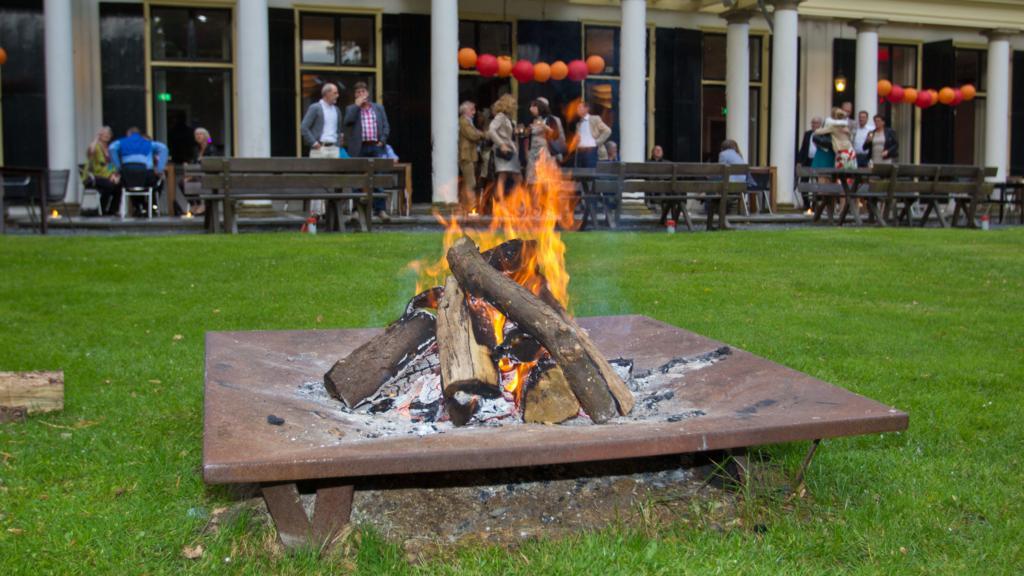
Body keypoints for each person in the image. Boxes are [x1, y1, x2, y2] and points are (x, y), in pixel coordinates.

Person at [343, 81, 392, 220]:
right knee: (357, 180)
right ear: (355, 95)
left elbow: (386, 126)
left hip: (375, 147)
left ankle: (380, 210)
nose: (361, 94)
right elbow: (347, 122)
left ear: (368, 93)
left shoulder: (378, 108)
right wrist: (356, 106)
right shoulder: (351, 109)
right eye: (358, 92)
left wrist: (382, 140)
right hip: (359, 148)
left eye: (363, 92)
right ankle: (356, 210)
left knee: (377, 178)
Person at [109, 127, 169, 216]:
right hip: (146, 177)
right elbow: (163, 148)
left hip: (128, 178)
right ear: (140, 135)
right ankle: (150, 207)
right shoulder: (148, 143)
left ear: (128, 134)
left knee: (125, 182)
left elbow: (112, 148)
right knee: (155, 182)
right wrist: (160, 169)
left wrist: (117, 167)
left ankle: (138, 207)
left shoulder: (122, 142)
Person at [486, 94, 521, 212]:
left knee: (504, 176)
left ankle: (501, 203)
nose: (515, 106)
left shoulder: (507, 117)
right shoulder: (500, 116)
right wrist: (501, 144)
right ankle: (505, 203)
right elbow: (491, 130)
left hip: (509, 150)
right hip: (504, 151)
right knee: (511, 177)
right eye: (513, 104)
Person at [177, 127, 219, 216]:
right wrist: (188, 165)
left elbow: (210, 165)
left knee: (190, 181)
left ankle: (201, 205)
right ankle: (194, 204)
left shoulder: (211, 148)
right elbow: (194, 162)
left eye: (201, 134)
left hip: (207, 176)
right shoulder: (196, 149)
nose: (198, 136)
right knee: (182, 182)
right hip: (196, 174)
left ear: (206, 136)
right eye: (196, 134)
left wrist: (192, 175)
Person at [81, 126, 120, 216]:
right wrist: (96, 139)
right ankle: (102, 209)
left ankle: (112, 210)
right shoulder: (96, 146)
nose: (106, 135)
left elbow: (110, 165)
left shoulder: (109, 149)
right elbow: (91, 152)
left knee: (118, 185)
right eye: (104, 133)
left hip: (106, 176)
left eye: (108, 134)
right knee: (109, 186)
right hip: (94, 176)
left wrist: (113, 175)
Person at [300, 83, 343, 157]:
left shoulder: (337, 110)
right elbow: (304, 127)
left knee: (335, 169)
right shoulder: (315, 108)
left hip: (334, 149)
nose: (337, 95)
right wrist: (314, 143)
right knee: (318, 169)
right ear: (327, 94)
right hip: (319, 149)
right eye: (335, 93)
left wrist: (337, 145)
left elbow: (338, 130)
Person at [525, 98, 561, 184]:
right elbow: (526, 136)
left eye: (533, 107)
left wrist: (544, 126)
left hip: (545, 150)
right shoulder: (531, 120)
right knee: (532, 176)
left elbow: (555, 134)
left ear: (540, 108)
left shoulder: (550, 119)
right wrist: (527, 131)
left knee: (544, 175)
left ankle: (545, 195)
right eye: (530, 107)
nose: (531, 109)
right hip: (532, 151)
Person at [458, 101, 484, 211]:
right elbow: (472, 135)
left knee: (467, 183)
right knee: (471, 182)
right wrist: (483, 134)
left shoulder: (469, 121)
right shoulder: (464, 121)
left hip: (471, 154)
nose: (474, 112)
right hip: (466, 155)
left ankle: (464, 207)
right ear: (465, 111)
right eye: (471, 110)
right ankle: (472, 208)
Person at [573, 100, 611, 168]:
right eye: (577, 108)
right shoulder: (578, 124)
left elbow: (607, 131)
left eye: (580, 107)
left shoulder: (594, 119)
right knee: (582, 174)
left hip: (591, 151)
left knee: (591, 172)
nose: (578, 110)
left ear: (586, 109)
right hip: (581, 152)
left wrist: (597, 142)